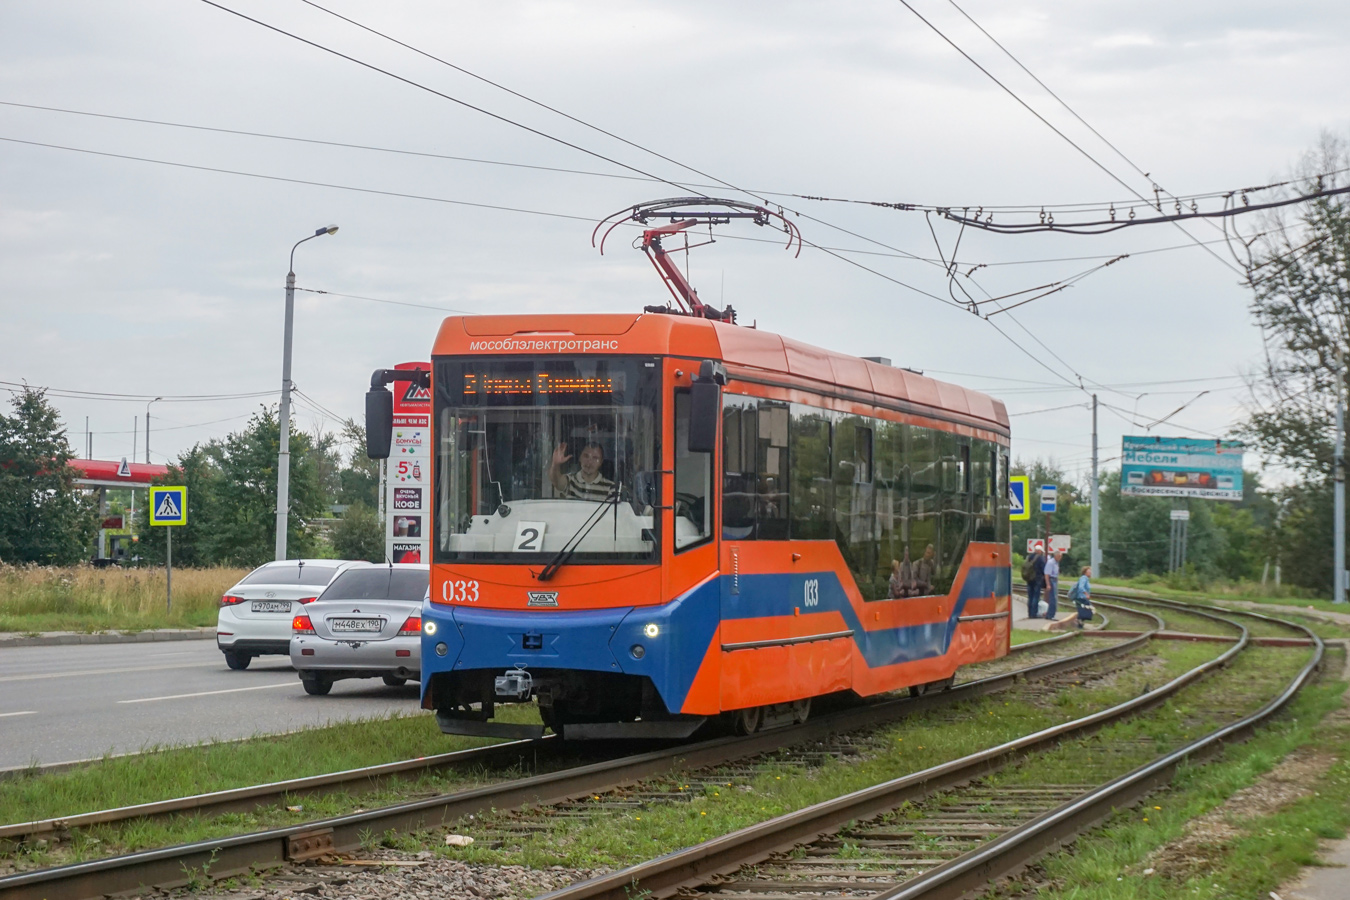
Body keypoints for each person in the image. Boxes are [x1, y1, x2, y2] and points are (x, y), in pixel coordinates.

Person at [548, 441, 614, 501]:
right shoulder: (570, 480)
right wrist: (555, 464)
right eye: (586, 456)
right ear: (580, 457)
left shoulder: (610, 487)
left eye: (595, 458)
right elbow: (556, 480)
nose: (589, 462)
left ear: (601, 462)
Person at [1022, 546, 1046, 618]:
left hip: (1029, 579)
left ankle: (1029, 613)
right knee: (1036, 596)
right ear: (1039, 551)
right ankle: (1034, 614)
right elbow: (1043, 569)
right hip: (1037, 580)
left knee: (1030, 596)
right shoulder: (1040, 558)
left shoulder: (1029, 557)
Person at [1043, 551, 1062, 620]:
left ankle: (1049, 614)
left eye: (1061, 556)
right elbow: (1047, 574)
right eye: (1059, 556)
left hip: (1055, 579)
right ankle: (1051, 615)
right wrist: (1048, 584)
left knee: (1054, 598)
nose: (1060, 558)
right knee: (1053, 598)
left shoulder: (1056, 563)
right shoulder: (1050, 563)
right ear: (1055, 556)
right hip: (1051, 580)